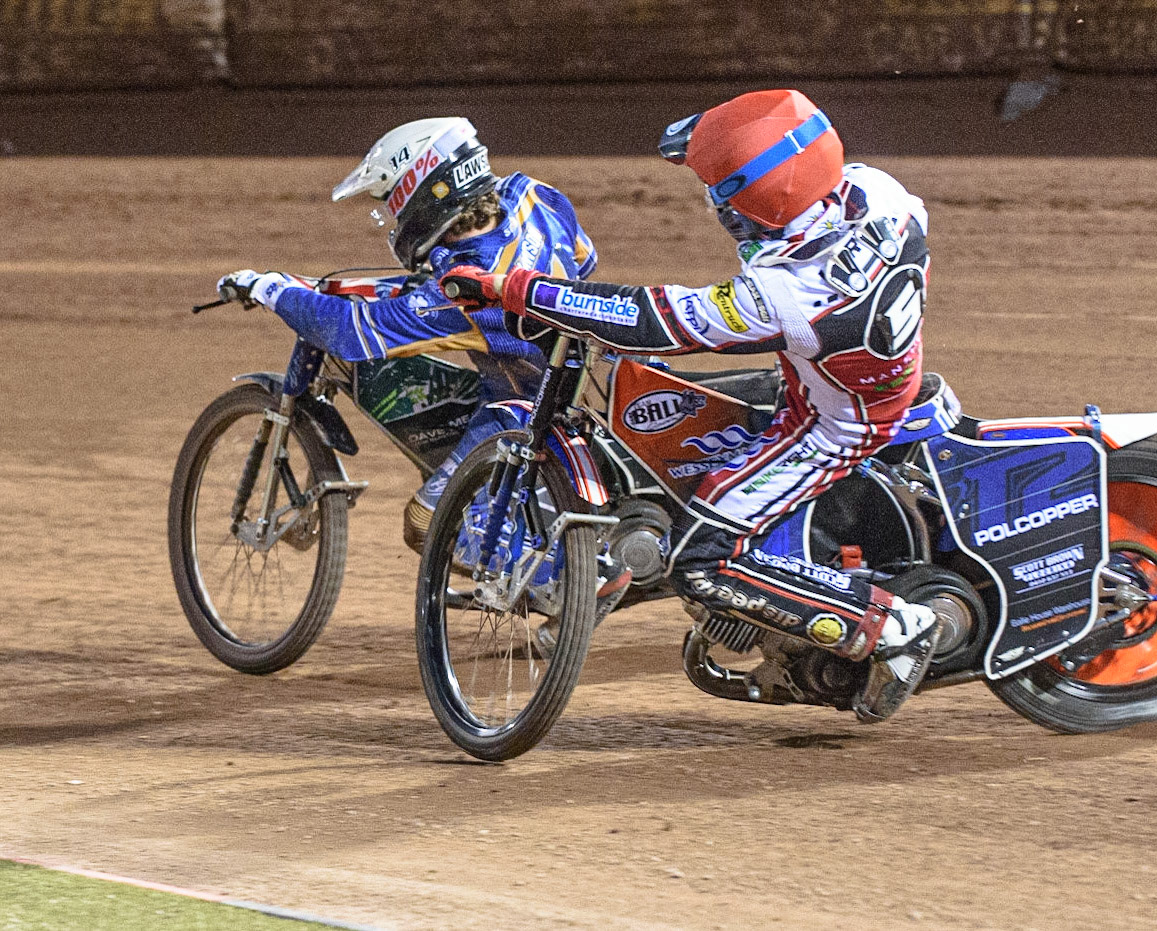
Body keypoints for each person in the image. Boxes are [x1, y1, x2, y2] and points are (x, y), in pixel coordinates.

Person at [436, 89, 948, 722]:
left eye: (721, 193)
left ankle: (891, 625)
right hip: (846, 375)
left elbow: (652, 319)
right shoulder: (877, 193)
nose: (715, 204)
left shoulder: (787, 293)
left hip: (834, 423)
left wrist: (510, 287)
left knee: (703, 561)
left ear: (752, 201)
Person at [218, 117, 597, 551]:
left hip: (524, 408)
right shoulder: (535, 195)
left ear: (428, 192)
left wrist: (270, 289)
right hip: (590, 371)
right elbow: (585, 260)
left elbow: (350, 332)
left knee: (423, 523)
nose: (395, 218)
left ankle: (550, 585)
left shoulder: (463, 291)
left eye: (395, 204)